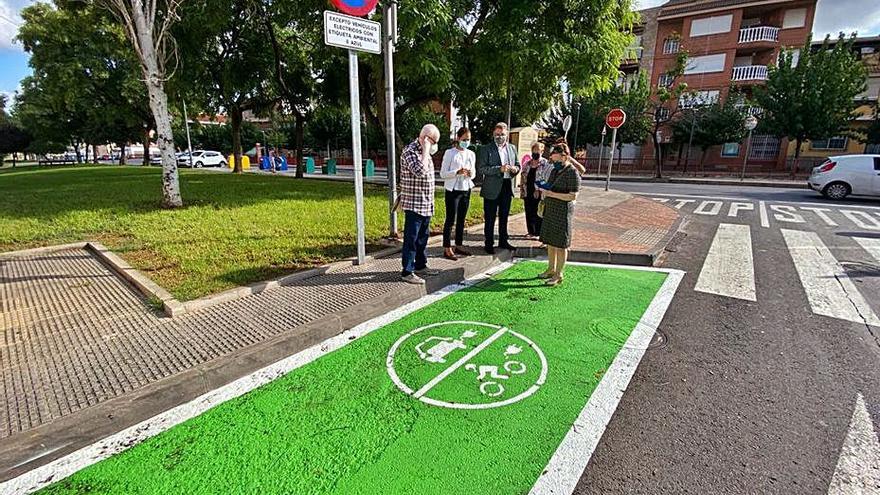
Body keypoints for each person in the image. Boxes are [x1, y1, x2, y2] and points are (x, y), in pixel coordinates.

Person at [399, 124, 442, 285]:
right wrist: (425, 149)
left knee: (422, 238)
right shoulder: (410, 152)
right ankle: (407, 271)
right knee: (411, 239)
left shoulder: (425, 153)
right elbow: (420, 171)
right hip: (414, 204)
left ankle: (420, 265)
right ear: (425, 139)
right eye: (434, 141)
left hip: (426, 203)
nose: (435, 145)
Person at [537, 140, 581, 286]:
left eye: (555, 159)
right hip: (551, 209)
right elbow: (550, 186)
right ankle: (551, 269)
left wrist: (551, 194)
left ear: (564, 157)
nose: (553, 162)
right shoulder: (556, 170)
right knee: (551, 241)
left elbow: (572, 195)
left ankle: (559, 274)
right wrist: (544, 189)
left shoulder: (572, 173)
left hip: (563, 211)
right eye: (552, 159)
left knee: (561, 244)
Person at [478, 122, 520, 254]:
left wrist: (515, 169)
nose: (499, 137)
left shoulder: (512, 148)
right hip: (492, 188)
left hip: (507, 185)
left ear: (507, 134)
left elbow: (518, 164)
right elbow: (482, 168)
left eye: (502, 134)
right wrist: (499, 169)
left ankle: (503, 241)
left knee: (504, 216)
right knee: (490, 217)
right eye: (497, 134)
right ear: (493, 134)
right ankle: (489, 243)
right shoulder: (486, 149)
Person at [439, 127, 476, 261]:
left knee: (461, 219)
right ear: (458, 139)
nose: (466, 142)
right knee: (450, 219)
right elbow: (443, 173)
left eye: (468, 139)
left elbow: (474, 173)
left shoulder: (471, 154)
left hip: (466, 188)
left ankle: (458, 244)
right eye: (464, 139)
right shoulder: (450, 153)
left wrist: (470, 173)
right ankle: (447, 247)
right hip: (453, 190)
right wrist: (456, 172)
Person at [520, 142, 552, 239]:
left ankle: (538, 232)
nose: (535, 153)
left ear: (542, 151)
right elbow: (523, 176)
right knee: (528, 210)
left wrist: (538, 189)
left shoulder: (545, 164)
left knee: (538, 211)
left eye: (537, 151)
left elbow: (545, 178)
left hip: (539, 191)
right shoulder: (527, 164)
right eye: (533, 151)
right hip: (527, 190)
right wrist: (522, 189)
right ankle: (530, 231)